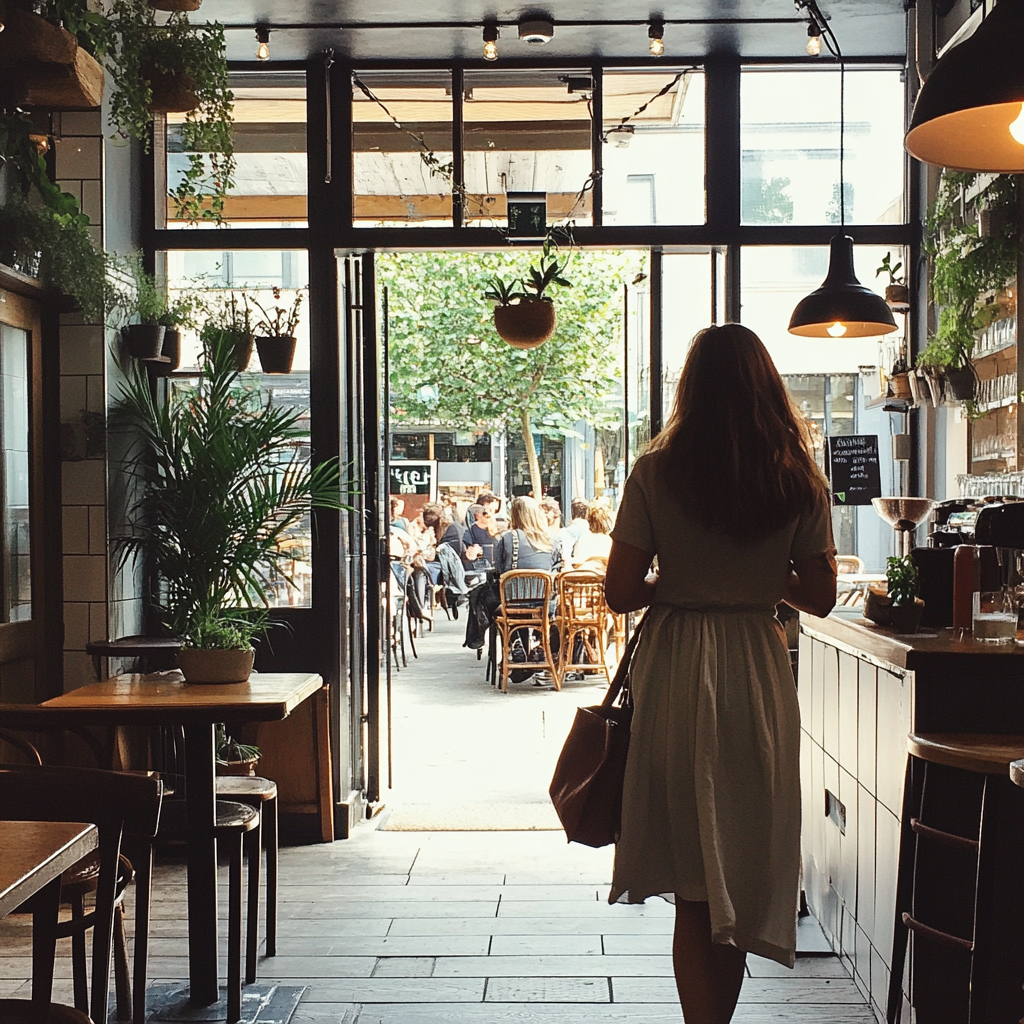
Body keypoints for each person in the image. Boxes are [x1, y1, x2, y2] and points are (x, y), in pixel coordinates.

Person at [603, 323, 836, 1024]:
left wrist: (677, 583)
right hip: (754, 670)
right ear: (766, 384)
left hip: (675, 666)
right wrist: (762, 581)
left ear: (690, 388)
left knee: (693, 877)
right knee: (735, 856)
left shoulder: (656, 471)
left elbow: (618, 590)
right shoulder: (796, 476)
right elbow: (820, 596)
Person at [494, 495, 562, 574]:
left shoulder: (506, 538)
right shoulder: (552, 540)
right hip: (544, 585)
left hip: (514, 585)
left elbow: (498, 569)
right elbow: (556, 570)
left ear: (514, 515)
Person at [572, 502, 613, 573]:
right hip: (601, 580)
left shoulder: (583, 539)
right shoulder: (609, 541)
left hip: (583, 578)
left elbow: (576, 563)